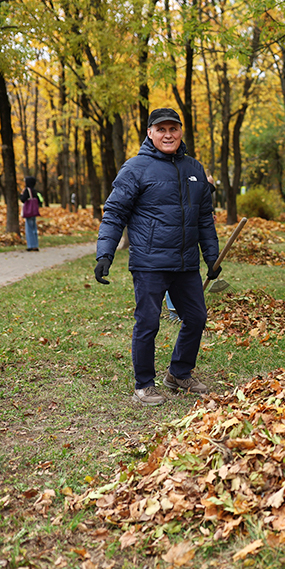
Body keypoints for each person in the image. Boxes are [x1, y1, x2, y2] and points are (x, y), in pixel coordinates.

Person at [94, 107, 221, 407]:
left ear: (181, 132)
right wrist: (105, 254)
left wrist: (211, 257)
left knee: (197, 317)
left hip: (186, 262)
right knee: (148, 322)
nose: (168, 135)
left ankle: (178, 373)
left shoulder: (195, 169)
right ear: (150, 133)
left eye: (173, 129)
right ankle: (144, 385)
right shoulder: (135, 168)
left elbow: (204, 217)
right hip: (150, 263)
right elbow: (114, 213)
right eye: (161, 129)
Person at [20, 177, 43, 250]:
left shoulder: (27, 190)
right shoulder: (34, 190)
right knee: (34, 229)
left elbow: (23, 199)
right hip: (34, 211)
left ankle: (30, 246)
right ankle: (35, 245)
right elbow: (39, 201)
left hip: (28, 212)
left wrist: (21, 194)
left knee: (29, 229)